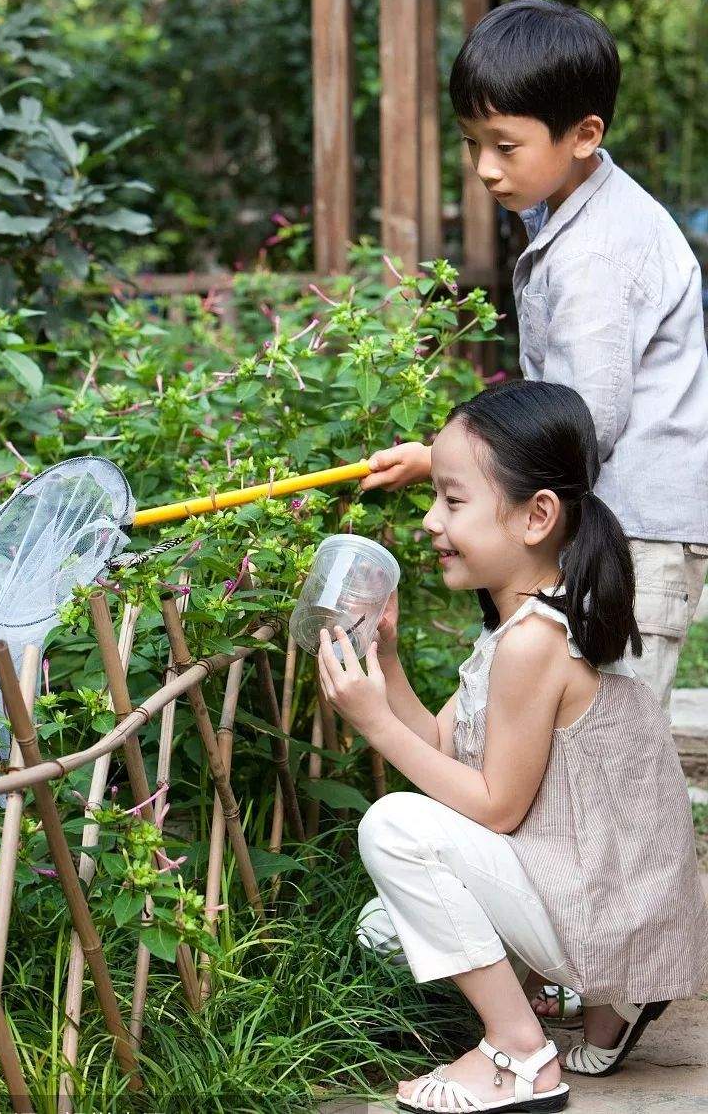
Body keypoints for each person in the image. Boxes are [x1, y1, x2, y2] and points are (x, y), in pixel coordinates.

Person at [317, 381, 707, 1113]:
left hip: (594, 908)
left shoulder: (533, 643)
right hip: (605, 897)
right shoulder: (535, 620)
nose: (432, 521)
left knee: (393, 828)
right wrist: (388, 656)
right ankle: (606, 1004)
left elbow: (495, 807)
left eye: (452, 501)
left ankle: (519, 1050)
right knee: (383, 929)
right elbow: (440, 741)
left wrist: (375, 724)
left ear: (537, 517)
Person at [363, 0, 708, 721]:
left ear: (584, 135)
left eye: (505, 145)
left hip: (635, 534)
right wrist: (439, 459)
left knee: (608, 734)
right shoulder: (573, 212)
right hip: (612, 519)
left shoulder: (596, 255)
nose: (485, 169)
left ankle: (618, 839)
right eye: (471, 143)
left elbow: (585, 419)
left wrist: (450, 462)